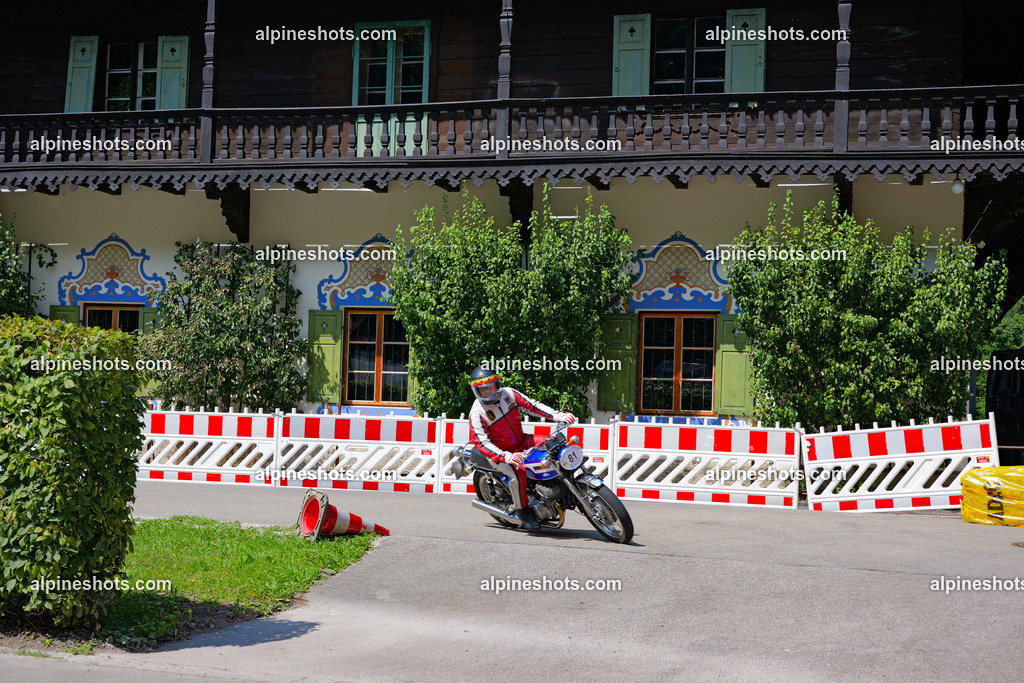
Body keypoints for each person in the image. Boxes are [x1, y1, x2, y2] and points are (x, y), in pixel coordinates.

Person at [467, 366, 577, 531]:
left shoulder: (509, 394)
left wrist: (557, 415)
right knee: (518, 472)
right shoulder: (477, 413)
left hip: (522, 440)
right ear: (477, 391)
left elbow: (533, 406)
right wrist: (505, 456)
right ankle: (524, 512)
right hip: (501, 452)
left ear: (498, 384)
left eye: (491, 386)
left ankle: (567, 488)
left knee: (554, 444)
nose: (489, 392)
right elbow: (481, 443)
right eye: (484, 389)